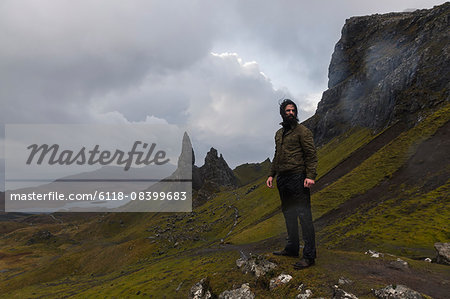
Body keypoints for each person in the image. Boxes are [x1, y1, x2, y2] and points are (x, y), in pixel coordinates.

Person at [266, 99, 318, 270]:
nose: (291, 113)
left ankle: (309, 256)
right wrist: (271, 175)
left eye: (293, 110)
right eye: (287, 110)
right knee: (289, 215)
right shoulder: (278, 134)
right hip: (283, 178)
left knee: (304, 215)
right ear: (282, 113)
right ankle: (292, 248)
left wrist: (310, 176)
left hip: (298, 177)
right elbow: (277, 155)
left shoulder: (303, 131)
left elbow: (311, 154)